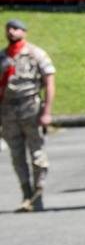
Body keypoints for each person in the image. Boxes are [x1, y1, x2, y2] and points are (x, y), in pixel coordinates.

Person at [1, 18, 55, 212]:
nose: (11, 32)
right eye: (9, 29)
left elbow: (49, 81)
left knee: (37, 153)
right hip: (7, 112)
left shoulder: (35, 54)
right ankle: (26, 193)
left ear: (24, 31)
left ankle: (37, 194)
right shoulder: (2, 57)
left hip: (30, 109)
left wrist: (47, 112)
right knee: (16, 155)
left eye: (16, 28)